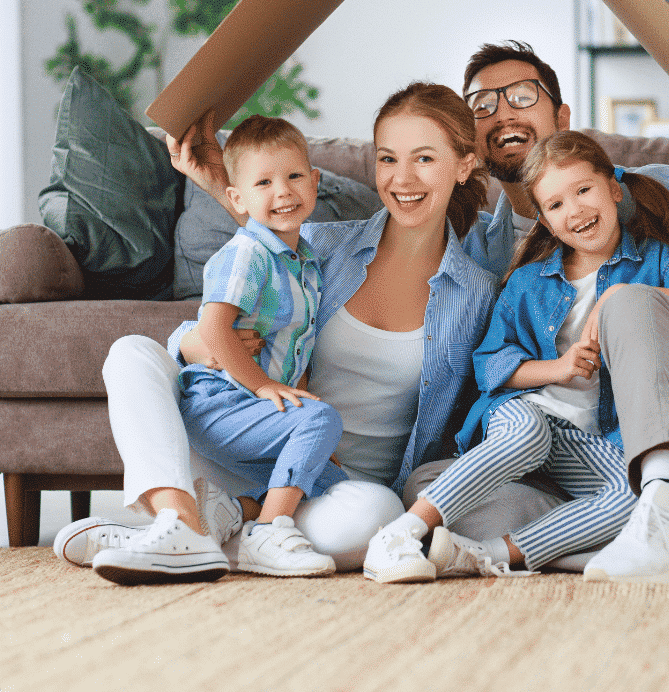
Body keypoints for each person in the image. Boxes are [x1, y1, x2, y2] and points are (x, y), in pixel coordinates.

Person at [58, 83, 497, 585]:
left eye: (424, 159)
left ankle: (192, 527)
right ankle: (181, 520)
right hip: (247, 442)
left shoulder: (476, 294)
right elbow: (259, 251)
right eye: (387, 159)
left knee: (376, 518)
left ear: (464, 165)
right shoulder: (325, 247)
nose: (402, 178)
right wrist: (191, 342)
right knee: (132, 353)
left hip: (335, 489)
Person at [403, 40, 669, 568]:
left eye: (522, 96)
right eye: (482, 105)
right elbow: (475, 364)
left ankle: (661, 504)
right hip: (573, 464)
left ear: (562, 114)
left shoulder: (662, 196)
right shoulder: (479, 251)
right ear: (470, 144)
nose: (502, 112)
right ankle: (602, 542)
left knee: (629, 301)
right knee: (429, 486)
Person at [171, 116, 344, 579]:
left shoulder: (307, 263)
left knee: (334, 483)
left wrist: (297, 404)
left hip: (259, 410)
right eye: (263, 182)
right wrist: (262, 384)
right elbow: (213, 326)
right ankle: (268, 531)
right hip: (220, 402)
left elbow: (298, 348)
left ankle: (232, 512)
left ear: (315, 182)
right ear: (237, 198)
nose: (282, 191)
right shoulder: (248, 252)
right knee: (323, 419)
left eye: (293, 177)